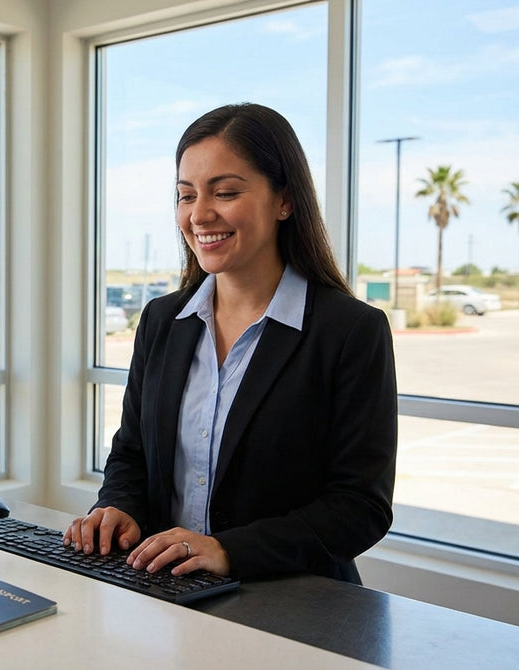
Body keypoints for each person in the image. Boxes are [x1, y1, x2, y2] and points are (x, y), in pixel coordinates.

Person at [64, 103, 397, 585]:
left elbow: (360, 505)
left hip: (293, 605)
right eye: (185, 195)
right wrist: (119, 507)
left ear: (284, 200)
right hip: (168, 593)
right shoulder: (162, 320)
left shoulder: (350, 331)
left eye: (225, 192)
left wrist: (229, 551)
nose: (199, 214)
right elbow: (132, 453)